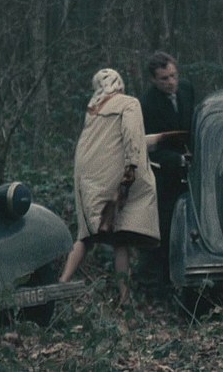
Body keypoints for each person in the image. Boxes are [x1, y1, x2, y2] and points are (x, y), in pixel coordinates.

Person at [60, 68, 160, 305]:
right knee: (119, 237)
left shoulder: (93, 110)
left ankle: (61, 284)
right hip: (114, 178)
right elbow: (132, 139)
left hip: (88, 178)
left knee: (88, 236)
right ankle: (124, 298)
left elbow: (107, 143)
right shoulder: (129, 103)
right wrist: (132, 169)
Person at [136, 51, 195, 289]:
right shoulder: (147, 105)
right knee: (166, 227)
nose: (171, 82)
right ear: (153, 79)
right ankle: (161, 282)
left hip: (193, 169)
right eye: (164, 79)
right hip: (164, 174)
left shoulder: (187, 90)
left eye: (173, 76)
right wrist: (177, 160)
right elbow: (146, 146)